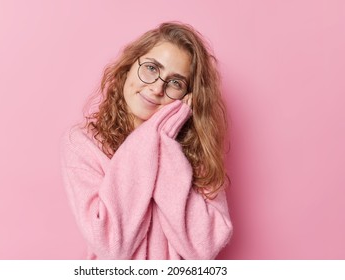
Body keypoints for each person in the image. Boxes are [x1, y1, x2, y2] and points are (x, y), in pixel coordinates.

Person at [61, 22, 232, 260]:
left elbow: (204, 247)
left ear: (188, 97)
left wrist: (165, 143)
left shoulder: (197, 153)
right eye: (151, 68)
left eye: (175, 82)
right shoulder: (84, 143)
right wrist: (154, 134)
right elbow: (112, 246)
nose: (157, 88)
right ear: (129, 68)